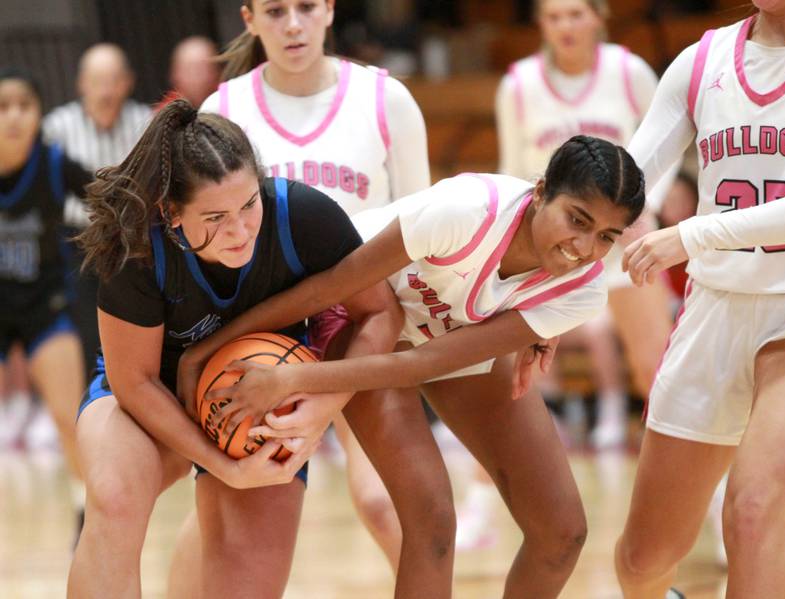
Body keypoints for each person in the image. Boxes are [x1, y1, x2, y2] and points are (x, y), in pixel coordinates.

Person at [179, 135, 646, 598]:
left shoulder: (584, 289)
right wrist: (213, 347)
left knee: (562, 532)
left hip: (439, 341)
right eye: (577, 219)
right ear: (541, 190)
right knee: (432, 519)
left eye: (606, 236)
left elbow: (425, 362)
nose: (584, 247)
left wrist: (291, 379)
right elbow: (331, 287)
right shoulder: (467, 209)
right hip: (360, 316)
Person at [67, 99, 401, 599]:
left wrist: (322, 408)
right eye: (217, 216)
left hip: (260, 401)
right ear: (172, 213)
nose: (241, 229)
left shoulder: (303, 216)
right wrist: (224, 468)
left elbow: (380, 312)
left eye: (249, 205)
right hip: (150, 392)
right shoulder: (136, 248)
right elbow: (133, 381)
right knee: (116, 497)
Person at [175, 0, 430, 575]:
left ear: (330, 9)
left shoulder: (386, 100)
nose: (293, 24)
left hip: (367, 320)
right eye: (275, 10)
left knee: (383, 501)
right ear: (248, 17)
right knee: (218, 498)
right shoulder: (225, 108)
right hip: (264, 329)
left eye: (307, 7)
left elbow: (420, 230)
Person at [613, 2, 785, 597]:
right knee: (643, 559)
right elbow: (625, 186)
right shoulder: (701, 61)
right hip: (715, 305)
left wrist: (691, 235)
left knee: (750, 517)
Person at [496, 0, 676, 448]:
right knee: (515, 370)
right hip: (552, 243)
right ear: (540, 23)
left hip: (623, 237)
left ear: (599, 16)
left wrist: (642, 207)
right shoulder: (518, 84)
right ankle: (484, 501)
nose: (566, 26)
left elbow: (670, 143)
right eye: (554, 17)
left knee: (654, 365)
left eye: (576, 14)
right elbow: (511, 167)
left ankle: (696, 484)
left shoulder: (629, 71)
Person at [0, 67, 91, 535]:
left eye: (24, 105)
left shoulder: (54, 164)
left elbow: (109, 199)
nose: (14, 115)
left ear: (38, 114)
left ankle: (85, 513)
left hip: (44, 301)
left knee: (66, 415)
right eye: (3, 106)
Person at [43, 43, 152, 381]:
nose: (106, 89)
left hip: (134, 243)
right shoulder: (56, 127)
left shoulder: (146, 122)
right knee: (86, 331)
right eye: (97, 80)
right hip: (76, 244)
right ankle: (94, 399)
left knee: (139, 324)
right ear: (81, 84)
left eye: (114, 79)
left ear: (129, 82)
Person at [167, 36, 221, 109]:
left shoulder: (230, 102)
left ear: (217, 71)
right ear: (175, 74)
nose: (196, 77)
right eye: (189, 70)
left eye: (203, 69)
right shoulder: (166, 112)